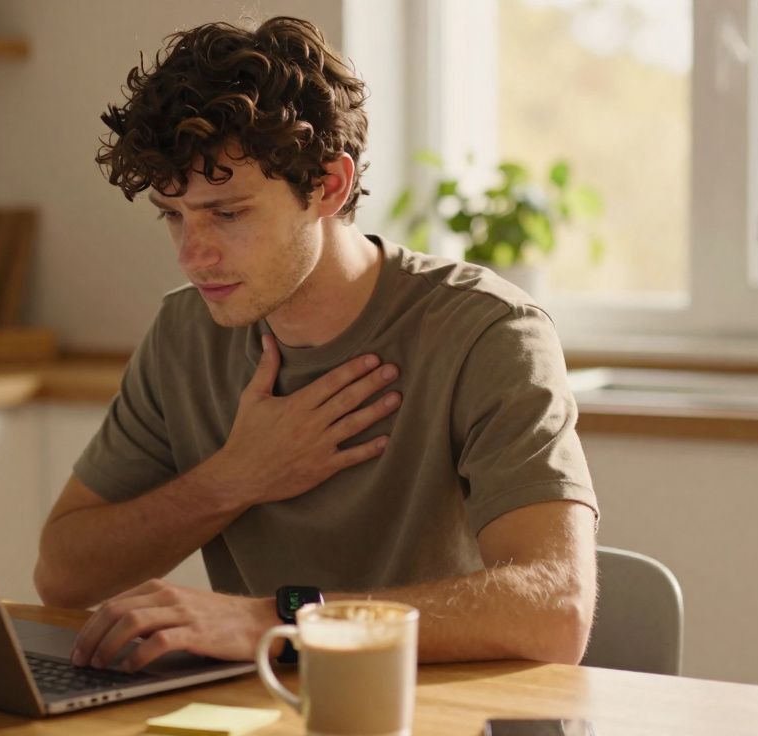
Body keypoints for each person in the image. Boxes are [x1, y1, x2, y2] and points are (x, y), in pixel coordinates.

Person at [33, 15, 598, 673]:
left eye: (227, 212)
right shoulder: (186, 333)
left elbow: (555, 609)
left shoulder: (486, 332)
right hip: (259, 712)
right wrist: (231, 479)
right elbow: (62, 575)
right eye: (172, 214)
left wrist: (272, 619)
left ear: (328, 185)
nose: (192, 253)